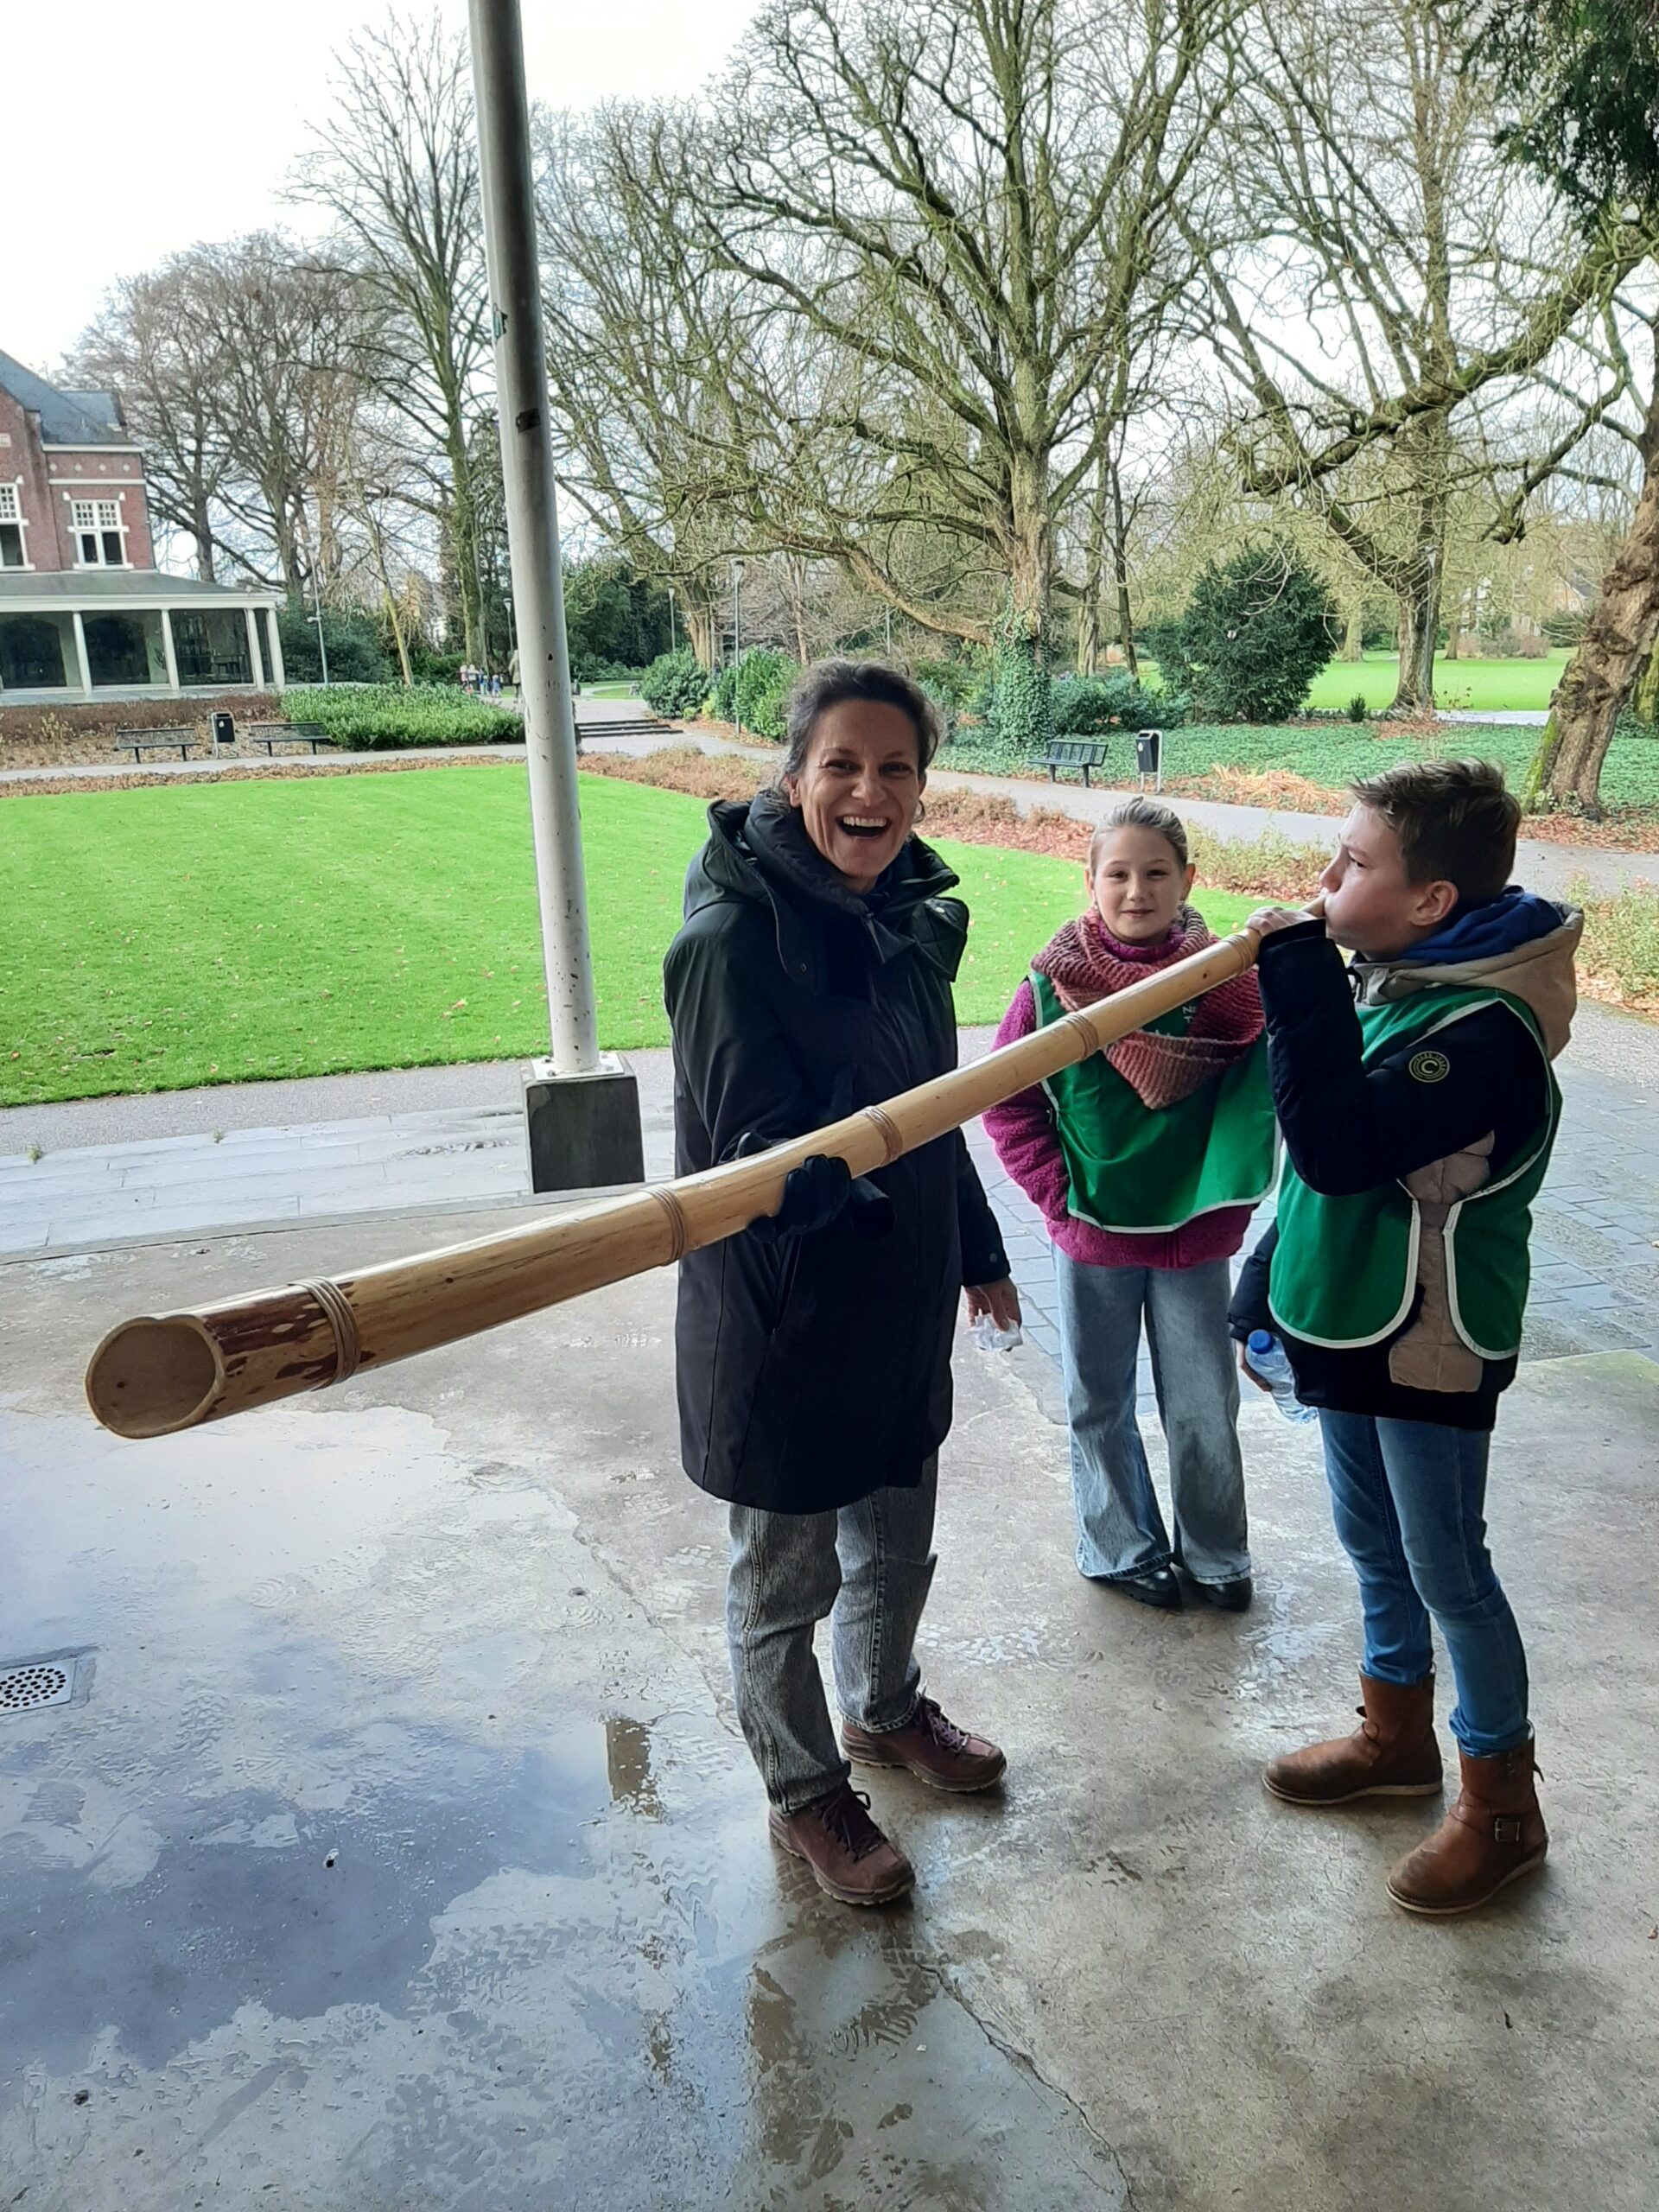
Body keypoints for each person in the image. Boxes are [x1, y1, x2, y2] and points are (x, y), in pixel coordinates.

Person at [664, 658, 1022, 1908]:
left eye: (897, 768)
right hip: (782, 1322)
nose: (870, 792)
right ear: (794, 772)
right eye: (843, 766)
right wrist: (818, 1181)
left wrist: (973, 1250)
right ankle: (803, 1786)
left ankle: (882, 1710)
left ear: (922, 784)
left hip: (897, 1307)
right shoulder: (728, 943)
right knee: (784, 1578)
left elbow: (939, 1118)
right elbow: (752, 1156)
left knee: (896, 1545)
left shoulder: (910, 927)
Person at [1233, 759, 1580, 1916]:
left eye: (1356, 861)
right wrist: (1262, 1277)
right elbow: (1318, 1184)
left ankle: (1501, 1806)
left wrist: (1297, 981)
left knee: (1450, 1570)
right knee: (1371, 1544)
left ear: (1432, 899)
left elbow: (1337, 1140)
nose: (1327, 877)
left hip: (1429, 1338)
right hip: (1346, 1321)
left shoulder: (1484, 1029)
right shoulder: (1400, 979)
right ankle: (1396, 1738)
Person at [983, 798, 1274, 1612]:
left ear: (1188, 880)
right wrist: (1060, 1198)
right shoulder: (1052, 982)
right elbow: (1007, 1102)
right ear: (1090, 881)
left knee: (1203, 1400)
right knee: (1097, 1399)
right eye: (1118, 873)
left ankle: (1217, 1554)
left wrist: (1226, 1200)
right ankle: (1119, 1545)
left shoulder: (1231, 982)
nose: (1137, 891)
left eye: (1156, 874)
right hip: (1091, 1236)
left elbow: (1261, 1102)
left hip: (1197, 1239)